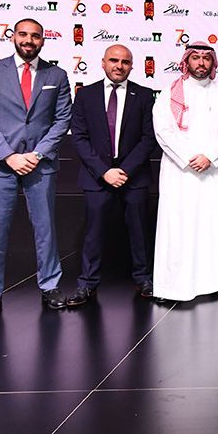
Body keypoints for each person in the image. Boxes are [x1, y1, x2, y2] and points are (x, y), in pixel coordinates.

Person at [0, 18, 72, 321]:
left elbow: (62, 120)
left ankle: (50, 285)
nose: (29, 40)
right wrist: (9, 156)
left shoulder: (57, 74)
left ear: (43, 40)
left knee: (46, 230)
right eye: (24, 34)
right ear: (13, 36)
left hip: (40, 166)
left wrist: (38, 154)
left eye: (36, 36)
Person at [67, 44, 156, 306]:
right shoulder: (85, 95)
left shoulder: (144, 95)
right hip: (97, 176)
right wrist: (104, 171)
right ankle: (87, 283)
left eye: (125, 62)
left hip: (134, 176)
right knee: (93, 232)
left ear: (132, 66)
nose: (119, 66)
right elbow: (80, 137)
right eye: (114, 60)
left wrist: (125, 170)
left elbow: (148, 138)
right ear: (103, 63)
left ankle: (144, 279)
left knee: (139, 231)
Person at [152, 42, 218, 302]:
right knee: (179, 226)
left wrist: (209, 157)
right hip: (181, 172)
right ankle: (173, 286)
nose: (201, 63)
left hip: (215, 170)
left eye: (206, 58)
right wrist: (190, 158)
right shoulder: (169, 95)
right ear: (186, 62)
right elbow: (164, 131)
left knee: (217, 225)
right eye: (196, 58)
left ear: (213, 63)